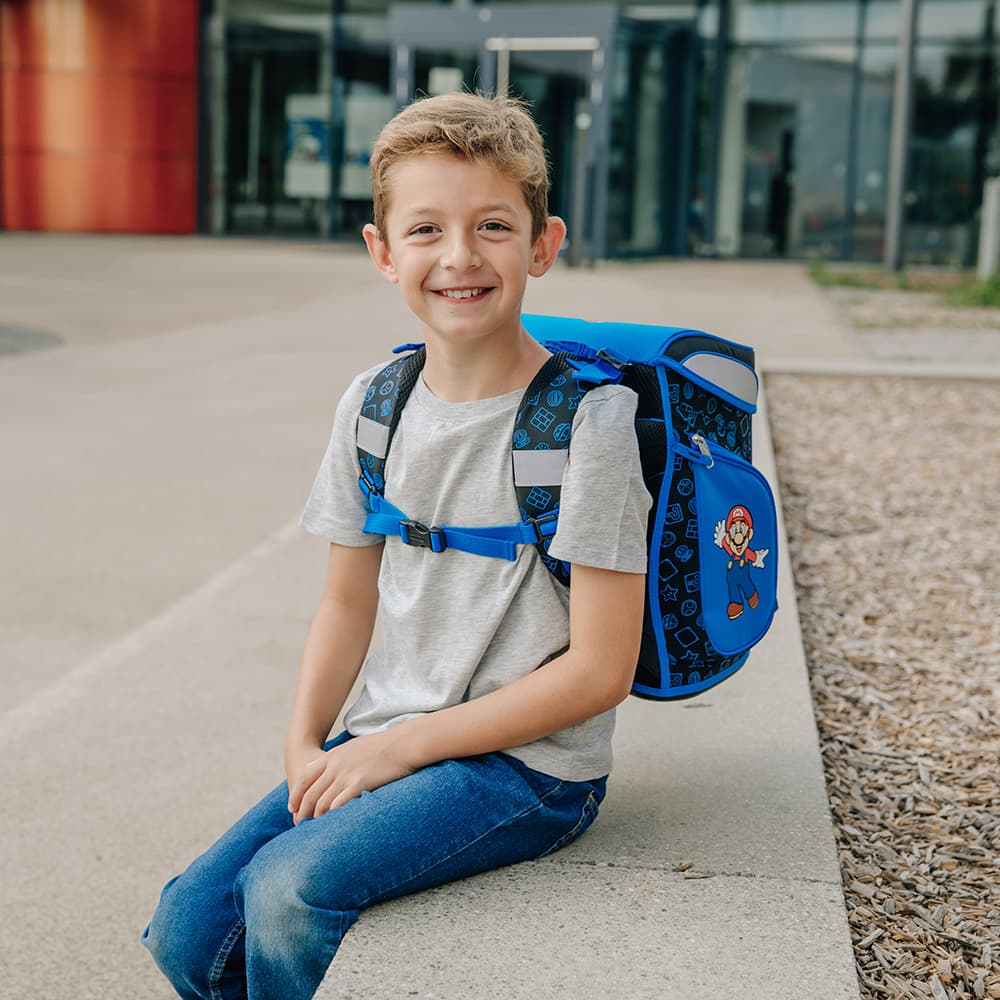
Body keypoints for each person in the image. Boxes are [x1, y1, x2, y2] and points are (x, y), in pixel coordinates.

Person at [142, 92, 651, 1000]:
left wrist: (400, 750)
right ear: (383, 253)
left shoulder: (589, 423)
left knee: (289, 890)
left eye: (493, 226)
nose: (459, 257)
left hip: (528, 769)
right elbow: (345, 601)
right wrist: (305, 743)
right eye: (425, 230)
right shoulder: (376, 403)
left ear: (543, 244)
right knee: (188, 929)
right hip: (385, 735)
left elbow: (600, 671)